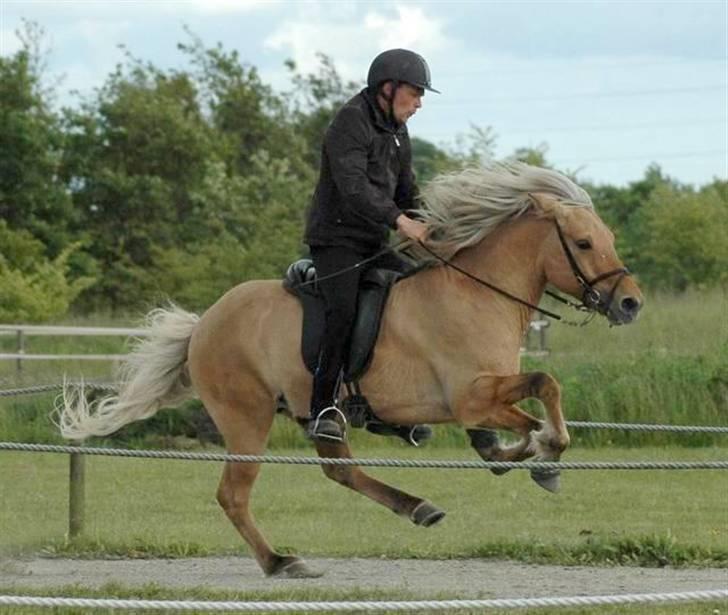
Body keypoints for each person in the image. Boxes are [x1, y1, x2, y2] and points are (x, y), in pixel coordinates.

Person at [303, 48, 439, 442]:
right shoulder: (350, 122)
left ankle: (388, 408)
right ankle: (323, 407)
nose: (418, 104)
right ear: (388, 88)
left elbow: (406, 189)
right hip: (336, 242)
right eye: (414, 94)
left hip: (372, 242)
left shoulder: (397, 131)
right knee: (342, 313)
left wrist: (432, 223)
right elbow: (354, 188)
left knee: (420, 297)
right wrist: (399, 221)